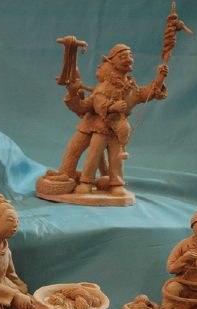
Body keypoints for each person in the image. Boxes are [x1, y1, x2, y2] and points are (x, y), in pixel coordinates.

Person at [58, 44, 168, 196]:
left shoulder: (132, 88)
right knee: (93, 154)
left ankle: (116, 184)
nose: (129, 59)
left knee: (117, 159)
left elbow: (146, 93)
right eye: (123, 57)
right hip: (100, 128)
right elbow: (97, 102)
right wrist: (111, 107)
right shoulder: (103, 86)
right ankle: (86, 182)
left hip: (118, 129)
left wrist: (160, 78)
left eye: (130, 56)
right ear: (112, 63)